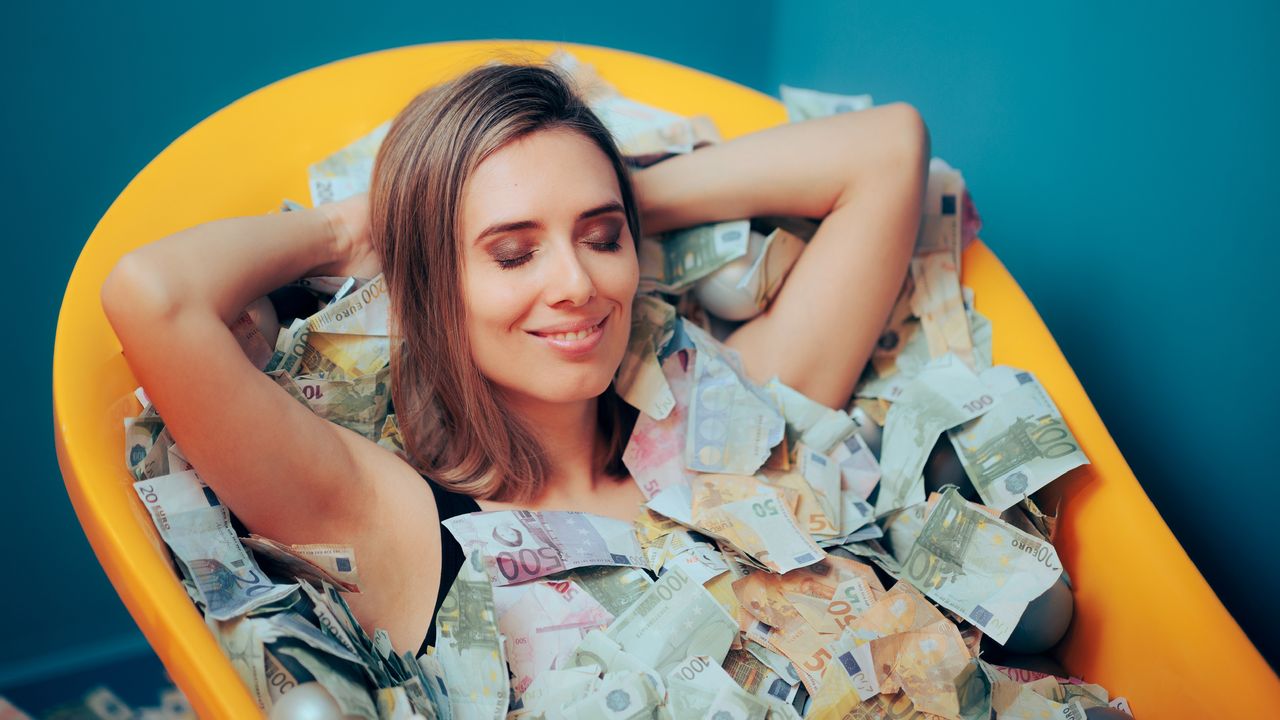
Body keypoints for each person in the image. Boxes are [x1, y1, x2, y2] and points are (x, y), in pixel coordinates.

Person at [100, 60, 928, 658]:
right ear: (424, 277)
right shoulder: (384, 519)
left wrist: (611, 193)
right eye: (511, 254)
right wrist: (358, 230)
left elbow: (888, 149)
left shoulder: (725, 421)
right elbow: (151, 296)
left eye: (602, 241)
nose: (576, 283)